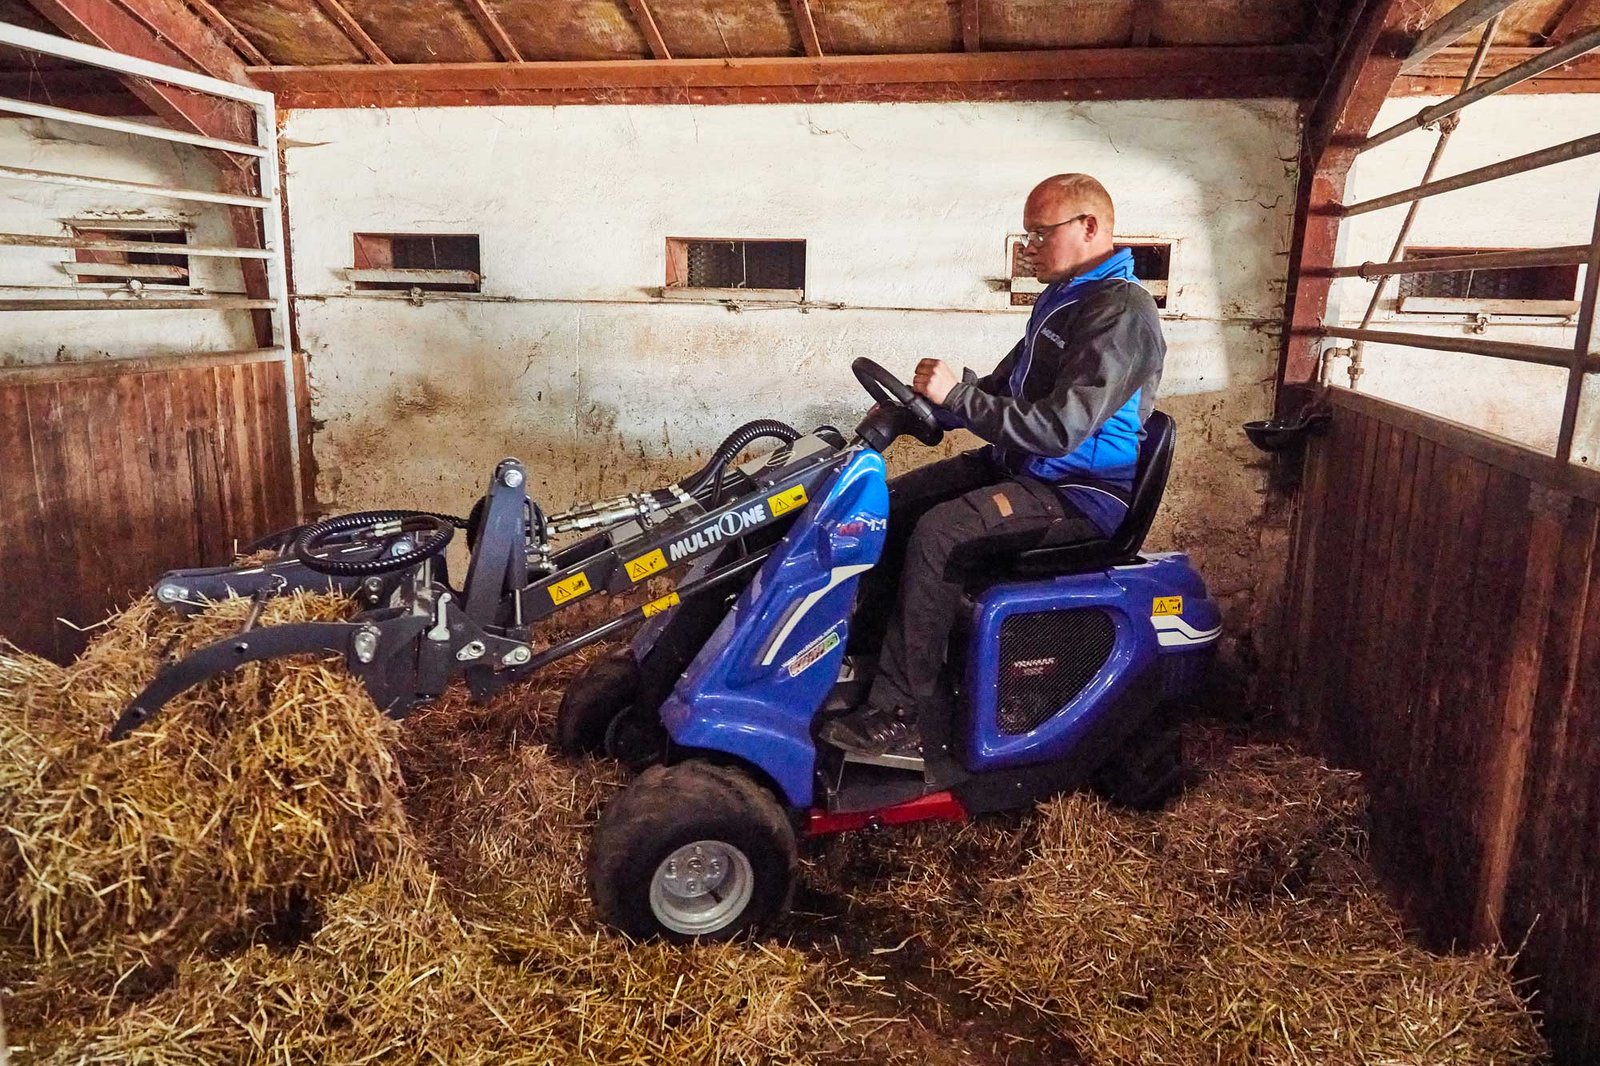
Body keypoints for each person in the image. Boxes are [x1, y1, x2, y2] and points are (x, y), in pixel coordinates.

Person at [822, 173, 1167, 758]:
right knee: (888, 505)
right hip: (1027, 469)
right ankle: (869, 662)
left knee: (940, 534)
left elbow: (1060, 430)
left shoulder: (1120, 313)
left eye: (1040, 233)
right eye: (1027, 234)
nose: (1030, 247)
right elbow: (1004, 388)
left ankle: (900, 711)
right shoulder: (1067, 298)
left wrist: (958, 398)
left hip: (1077, 492)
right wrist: (929, 406)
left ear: (1089, 227)